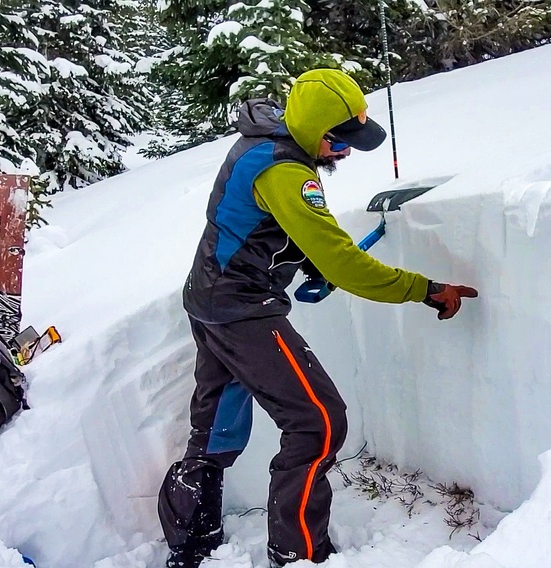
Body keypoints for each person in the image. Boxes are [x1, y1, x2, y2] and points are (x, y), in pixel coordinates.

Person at [158, 68, 478, 568]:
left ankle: (192, 539)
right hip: (241, 308)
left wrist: (307, 261)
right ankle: (299, 552)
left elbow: (261, 224)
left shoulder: (265, 138)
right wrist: (425, 289)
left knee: (216, 427)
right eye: (339, 141)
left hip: (211, 299)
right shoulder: (285, 171)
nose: (345, 153)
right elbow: (344, 263)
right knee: (319, 421)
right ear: (312, 129)